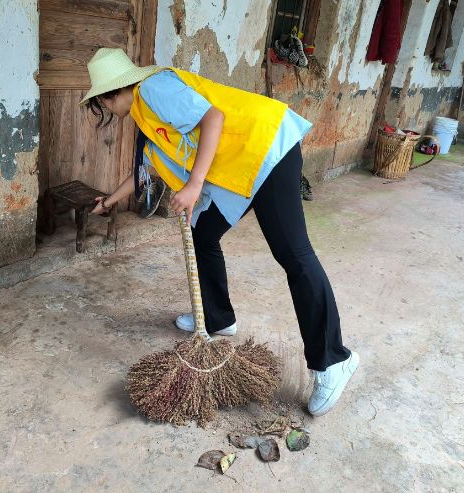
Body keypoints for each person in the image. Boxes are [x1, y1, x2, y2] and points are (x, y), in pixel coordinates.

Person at [80, 48, 358, 416]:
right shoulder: (145, 120)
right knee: (203, 233)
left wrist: (194, 185)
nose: (105, 109)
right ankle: (219, 318)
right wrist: (109, 201)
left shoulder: (153, 89)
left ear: (106, 96)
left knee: (294, 255)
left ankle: (333, 360)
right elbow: (143, 172)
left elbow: (214, 118)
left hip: (265, 149)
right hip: (240, 167)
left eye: (101, 102)